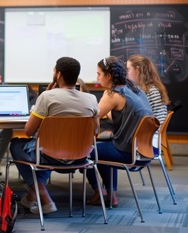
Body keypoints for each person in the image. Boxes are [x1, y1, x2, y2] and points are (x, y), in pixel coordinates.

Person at [10, 57, 99, 215]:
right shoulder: (91, 99)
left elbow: (29, 131)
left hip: (51, 156)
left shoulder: (47, 97)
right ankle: (32, 196)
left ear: (58, 75)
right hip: (81, 156)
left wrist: (41, 99)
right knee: (44, 148)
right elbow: (96, 131)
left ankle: (43, 196)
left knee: (16, 145)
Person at [86, 56, 153, 207]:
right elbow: (121, 111)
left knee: (84, 150)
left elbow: (93, 117)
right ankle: (111, 194)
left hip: (127, 151)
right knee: (103, 146)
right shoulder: (133, 89)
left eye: (98, 74)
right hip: (143, 149)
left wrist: (104, 97)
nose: (96, 77)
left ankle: (100, 191)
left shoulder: (112, 95)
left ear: (108, 76)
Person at [127, 54, 169, 155]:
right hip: (149, 141)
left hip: (146, 144)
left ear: (138, 70)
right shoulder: (150, 88)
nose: (126, 73)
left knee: (99, 150)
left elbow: (135, 119)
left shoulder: (149, 92)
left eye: (128, 69)